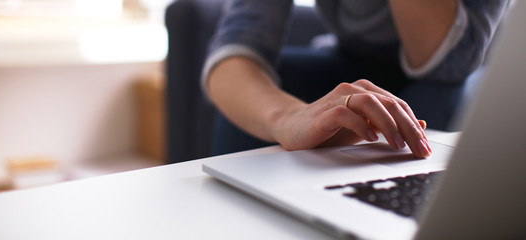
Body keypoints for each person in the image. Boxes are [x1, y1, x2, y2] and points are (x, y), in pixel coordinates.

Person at [202, 0, 509, 158]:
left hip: (475, 79)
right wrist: (287, 118)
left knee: (434, 100)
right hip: (354, 60)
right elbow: (236, 48)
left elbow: (450, 63)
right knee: (258, 98)